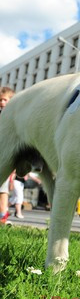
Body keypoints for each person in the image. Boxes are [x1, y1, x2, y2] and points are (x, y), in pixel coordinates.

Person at [0, 86, 15, 225]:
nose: (2, 103)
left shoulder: (13, 117)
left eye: (5, 100)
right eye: (1, 100)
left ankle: (3, 215)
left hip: (4, 157)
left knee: (3, 189)